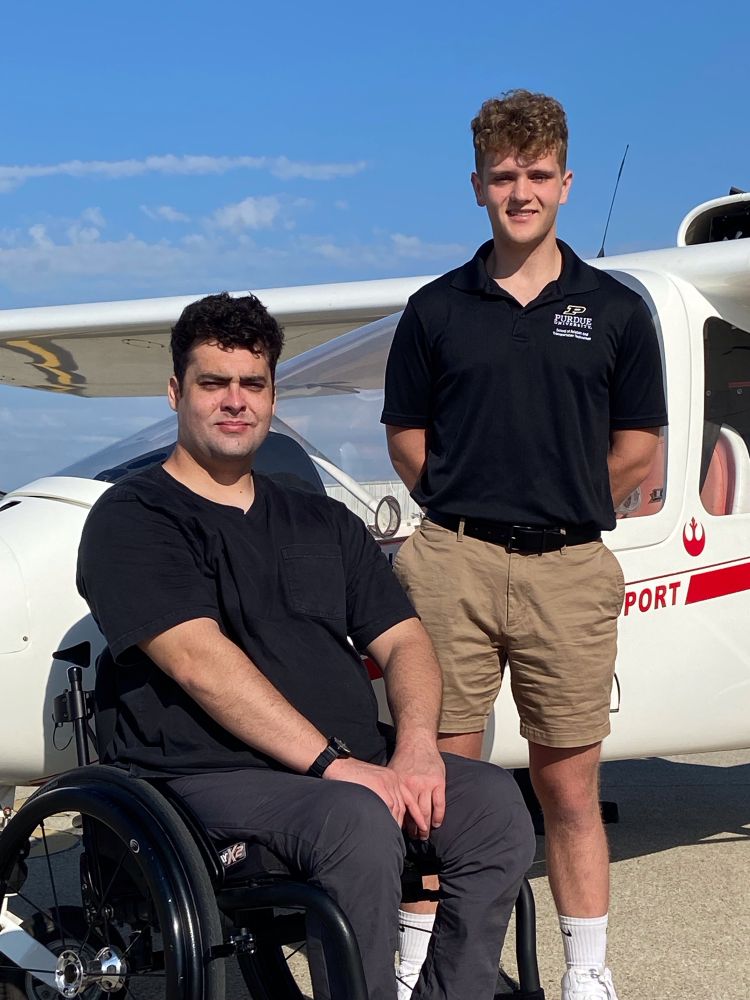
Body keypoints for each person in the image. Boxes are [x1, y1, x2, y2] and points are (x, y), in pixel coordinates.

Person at [76, 291, 535, 1000]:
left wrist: (415, 746)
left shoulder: (319, 517)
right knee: (353, 820)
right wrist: (333, 766)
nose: (235, 400)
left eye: (252, 384)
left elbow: (406, 638)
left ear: (271, 394)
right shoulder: (134, 519)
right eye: (213, 383)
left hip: (351, 768)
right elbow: (199, 662)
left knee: (493, 805)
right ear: (175, 393)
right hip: (208, 779)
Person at [381, 90, 667, 1000]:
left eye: (538, 174)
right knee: (442, 784)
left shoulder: (615, 310)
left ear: (566, 183)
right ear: (476, 185)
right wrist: (463, 506)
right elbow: (406, 437)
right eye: (503, 175)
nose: (521, 190)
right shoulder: (434, 309)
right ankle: (417, 962)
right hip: (452, 562)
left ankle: (588, 971)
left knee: (569, 785)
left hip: (569, 567)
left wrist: (573, 498)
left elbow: (642, 447)